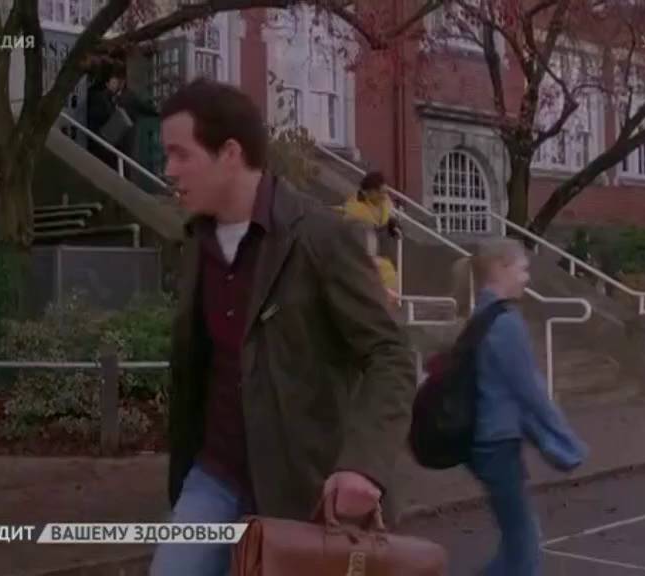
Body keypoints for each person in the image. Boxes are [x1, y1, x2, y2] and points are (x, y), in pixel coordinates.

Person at [151, 79, 415, 576]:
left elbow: (391, 354)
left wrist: (363, 464)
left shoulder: (320, 237)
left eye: (181, 154)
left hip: (304, 485)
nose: (169, 170)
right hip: (215, 474)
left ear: (230, 153)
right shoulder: (196, 243)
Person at [451, 238, 587, 576]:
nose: (527, 277)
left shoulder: (481, 316)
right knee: (524, 547)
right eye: (522, 269)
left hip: (484, 441)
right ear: (501, 268)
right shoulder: (505, 322)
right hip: (495, 443)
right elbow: (530, 391)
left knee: (518, 541)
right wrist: (567, 442)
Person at [340, 171, 403, 308]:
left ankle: (389, 303)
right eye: (380, 192)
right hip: (357, 252)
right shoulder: (356, 210)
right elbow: (356, 241)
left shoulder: (383, 202)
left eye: (385, 192)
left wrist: (392, 222)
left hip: (375, 250)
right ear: (369, 192)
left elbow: (389, 213)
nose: (383, 195)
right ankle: (381, 302)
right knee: (379, 270)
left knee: (387, 270)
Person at [86, 63, 157, 170]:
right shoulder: (102, 97)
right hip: (105, 141)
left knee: (123, 164)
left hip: (123, 140)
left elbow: (146, 108)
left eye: (117, 80)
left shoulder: (128, 96)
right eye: (114, 80)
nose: (117, 83)